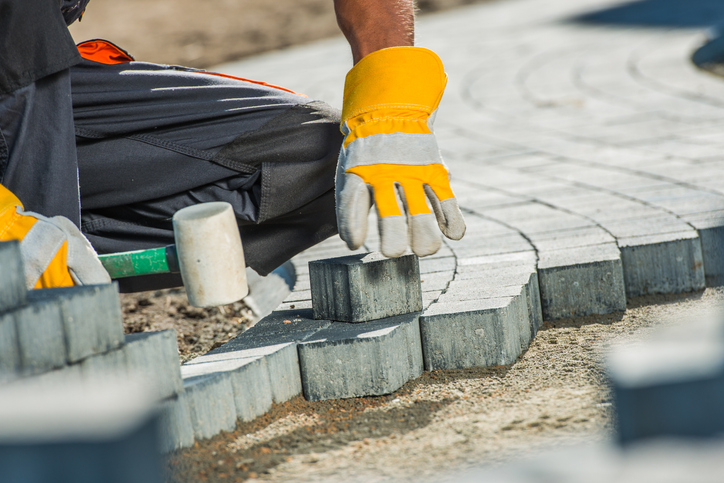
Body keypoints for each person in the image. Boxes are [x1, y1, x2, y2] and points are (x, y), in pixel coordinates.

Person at [0, 0, 465, 292]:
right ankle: (32, 283)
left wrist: (389, 104)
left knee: (323, 154)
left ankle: (70, 257)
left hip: (32, 70)